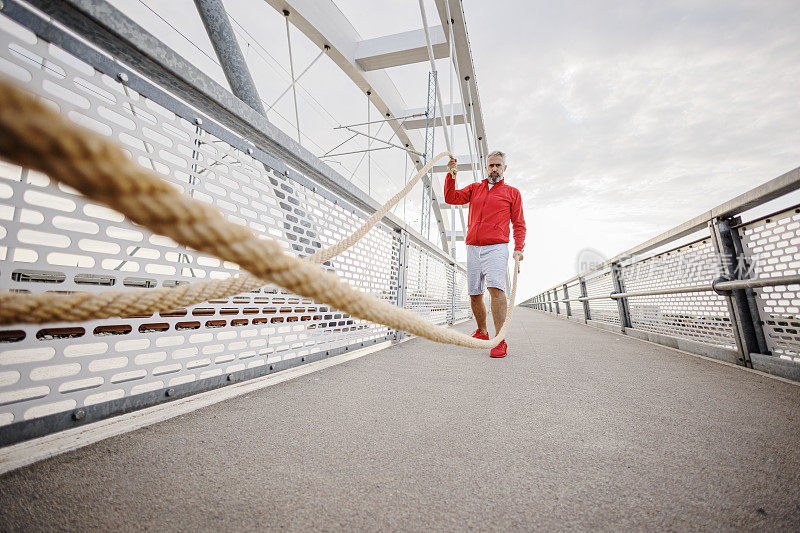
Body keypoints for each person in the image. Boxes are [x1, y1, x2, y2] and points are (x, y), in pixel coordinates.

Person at [444, 150, 525, 358]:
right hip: (473, 247)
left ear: (504, 168)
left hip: (496, 247)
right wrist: (452, 175)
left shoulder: (512, 193)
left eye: (498, 165)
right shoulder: (474, 189)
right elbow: (451, 198)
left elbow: (518, 223)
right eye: (491, 165)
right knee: (474, 293)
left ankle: (499, 340)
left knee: (496, 289)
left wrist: (519, 248)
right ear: (486, 167)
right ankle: (482, 331)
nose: (494, 169)